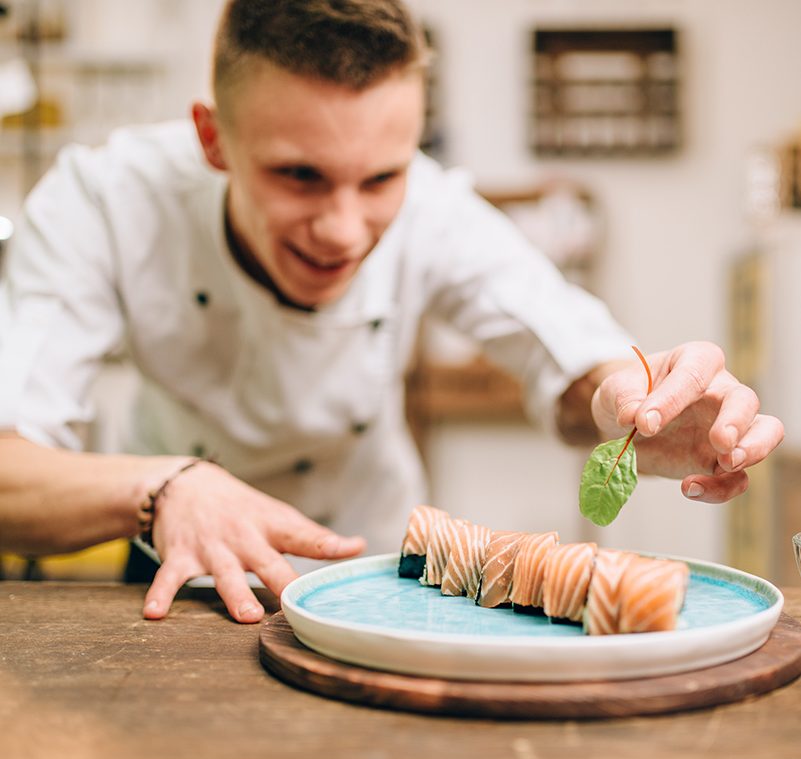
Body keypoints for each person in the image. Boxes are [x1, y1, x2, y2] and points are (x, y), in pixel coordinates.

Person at [0, 0, 784, 624]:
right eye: (299, 175)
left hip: (377, 575)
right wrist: (167, 485)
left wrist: (634, 401)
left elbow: (566, 351)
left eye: (379, 178)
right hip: (178, 578)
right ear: (214, 140)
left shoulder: (437, 206)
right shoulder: (104, 200)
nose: (342, 229)